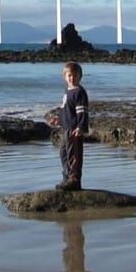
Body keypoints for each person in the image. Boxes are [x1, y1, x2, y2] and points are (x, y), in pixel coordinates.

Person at [48, 61, 89, 191]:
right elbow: (65, 108)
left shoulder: (79, 92)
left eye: (75, 76)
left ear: (80, 77)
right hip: (65, 127)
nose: (72, 78)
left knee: (74, 155)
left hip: (74, 128)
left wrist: (81, 127)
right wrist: (58, 118)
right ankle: (66, 177)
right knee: (63, 153)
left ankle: (74, 180)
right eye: (69, 75)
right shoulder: (67, 91)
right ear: (65, 77)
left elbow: (82, 111)